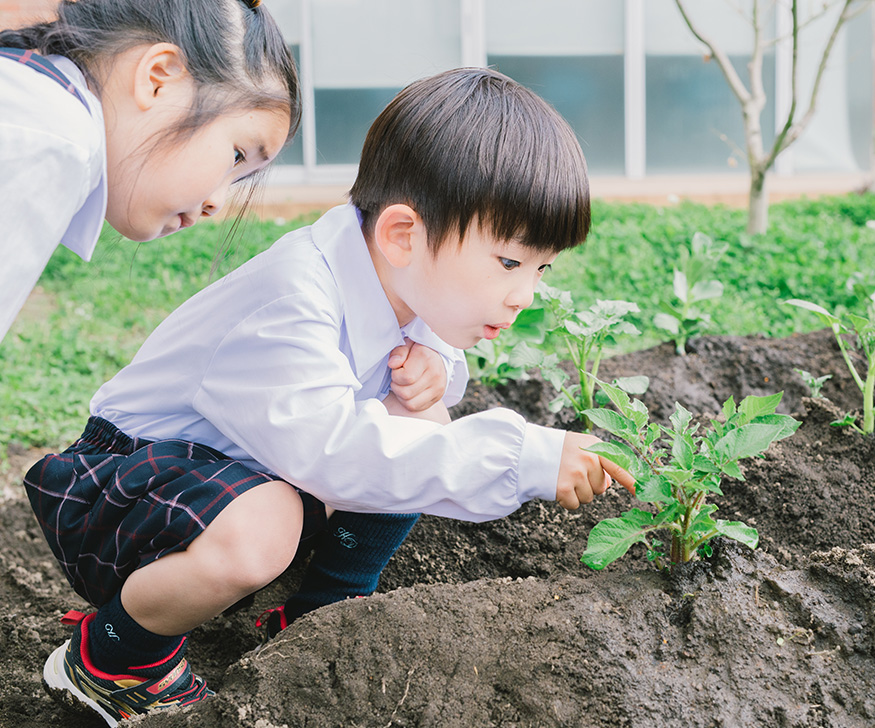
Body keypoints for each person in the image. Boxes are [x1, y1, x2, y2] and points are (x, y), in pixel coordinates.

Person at [24, 66, 636, 726]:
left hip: (227, 477)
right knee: (271, 524)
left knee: (419, 417)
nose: (525, 293)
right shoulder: (295, 297)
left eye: (542, 268)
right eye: (510, 263)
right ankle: (114, 656)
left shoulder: (401, 278)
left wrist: (433, 373)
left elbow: (402, 411)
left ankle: (321, 610)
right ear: (405, 234)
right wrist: (521, 457)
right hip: (117, 492)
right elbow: (336, 455)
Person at [0, 0, 301, 342]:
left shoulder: (36, 108)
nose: (216, 203)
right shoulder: (53, 141)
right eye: (236, 156)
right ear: (158, 78)